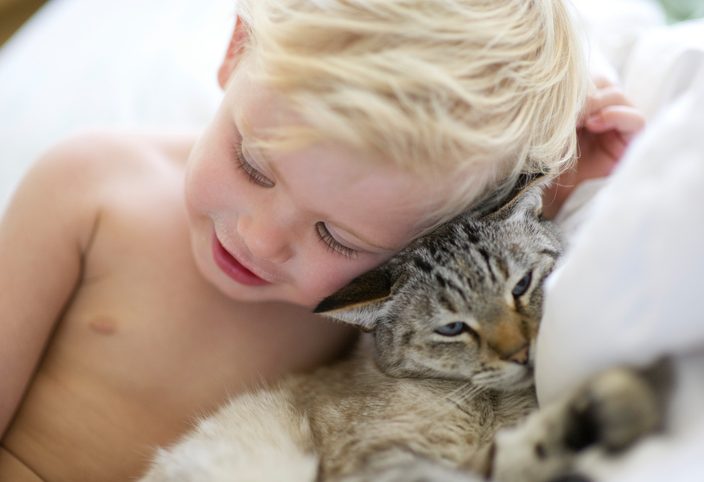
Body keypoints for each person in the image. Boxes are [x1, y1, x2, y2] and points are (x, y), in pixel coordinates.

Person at [0, 0, 642, 480]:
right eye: (253, 166)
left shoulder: (383, 301)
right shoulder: (92, 187)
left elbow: (484, 271)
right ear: (237, 49)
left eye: (336, 236)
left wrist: (561, 178)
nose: (259, 239)